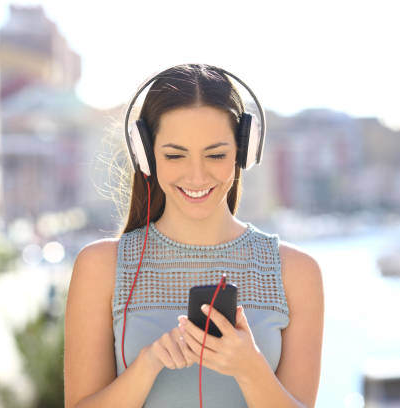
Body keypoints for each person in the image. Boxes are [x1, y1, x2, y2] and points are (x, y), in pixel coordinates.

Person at [64, 63, 324, 407]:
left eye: (216, 154)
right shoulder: (100, 267)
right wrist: (147, 366)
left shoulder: (298, 273)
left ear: (243, 151)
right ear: (146, 156)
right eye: (174, 155)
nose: (197, 175)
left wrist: (250, 370)